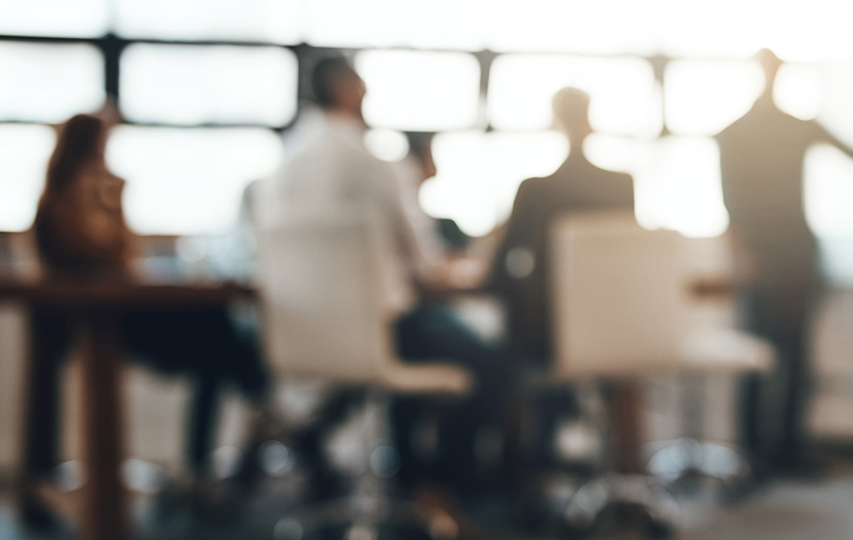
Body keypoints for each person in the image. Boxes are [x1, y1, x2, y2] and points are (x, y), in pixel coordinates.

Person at [255, 56, 512, 491]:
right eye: (362, 84)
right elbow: (422, 266)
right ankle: (441, 487)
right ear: (345, 88)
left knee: (427, 340)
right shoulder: (368, 161)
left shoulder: (282, 166)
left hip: (304, 332)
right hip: (379, 328)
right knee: (496, 366)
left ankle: (406, 477)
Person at [26, 113, 270, 524]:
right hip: (102, 316)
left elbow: (123, 260)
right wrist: (113, 199)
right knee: (218, 338)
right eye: (101, 144)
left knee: (214, 330)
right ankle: (256, 396)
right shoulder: (63, 203)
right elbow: (103, 258)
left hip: (122, 308)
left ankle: (207, 460)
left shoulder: (95, 192)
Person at [715, 48, 853, 474]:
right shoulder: (734, 132)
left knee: (799, 357)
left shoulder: (797, 126)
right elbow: (731, 201)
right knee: (758, 357)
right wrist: (742, 257)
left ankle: (790, 449)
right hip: (759, 258)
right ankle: (752, 453)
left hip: (799, 253)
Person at [487, 87, 638, 470]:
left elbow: (501, 268)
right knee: (622, 371)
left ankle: (517, 471)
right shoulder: (622, 185)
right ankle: (631, 473)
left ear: (556, 121)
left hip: (549, 335)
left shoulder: (535, 189)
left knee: (503, 349)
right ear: (590, 120)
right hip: (614, 329)